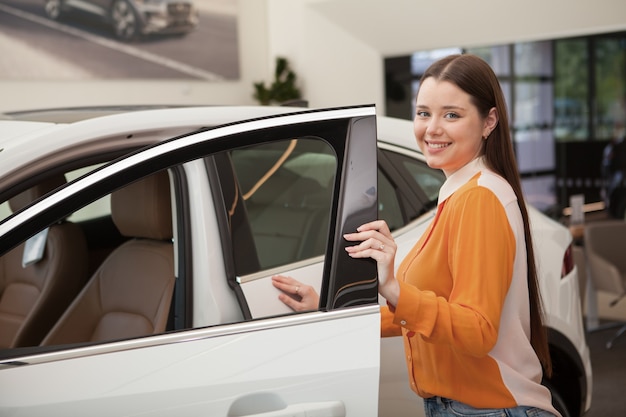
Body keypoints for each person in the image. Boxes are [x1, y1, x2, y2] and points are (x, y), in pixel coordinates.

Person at [272, 54, 560, 417]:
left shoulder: (479, 198)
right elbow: (425, 315)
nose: (432, 129)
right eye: (424, 113)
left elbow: (477, 331)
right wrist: (330, 309)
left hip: (486, 408)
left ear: (489, 121)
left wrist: (393, 287)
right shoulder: (460, 192)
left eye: (451, 115)